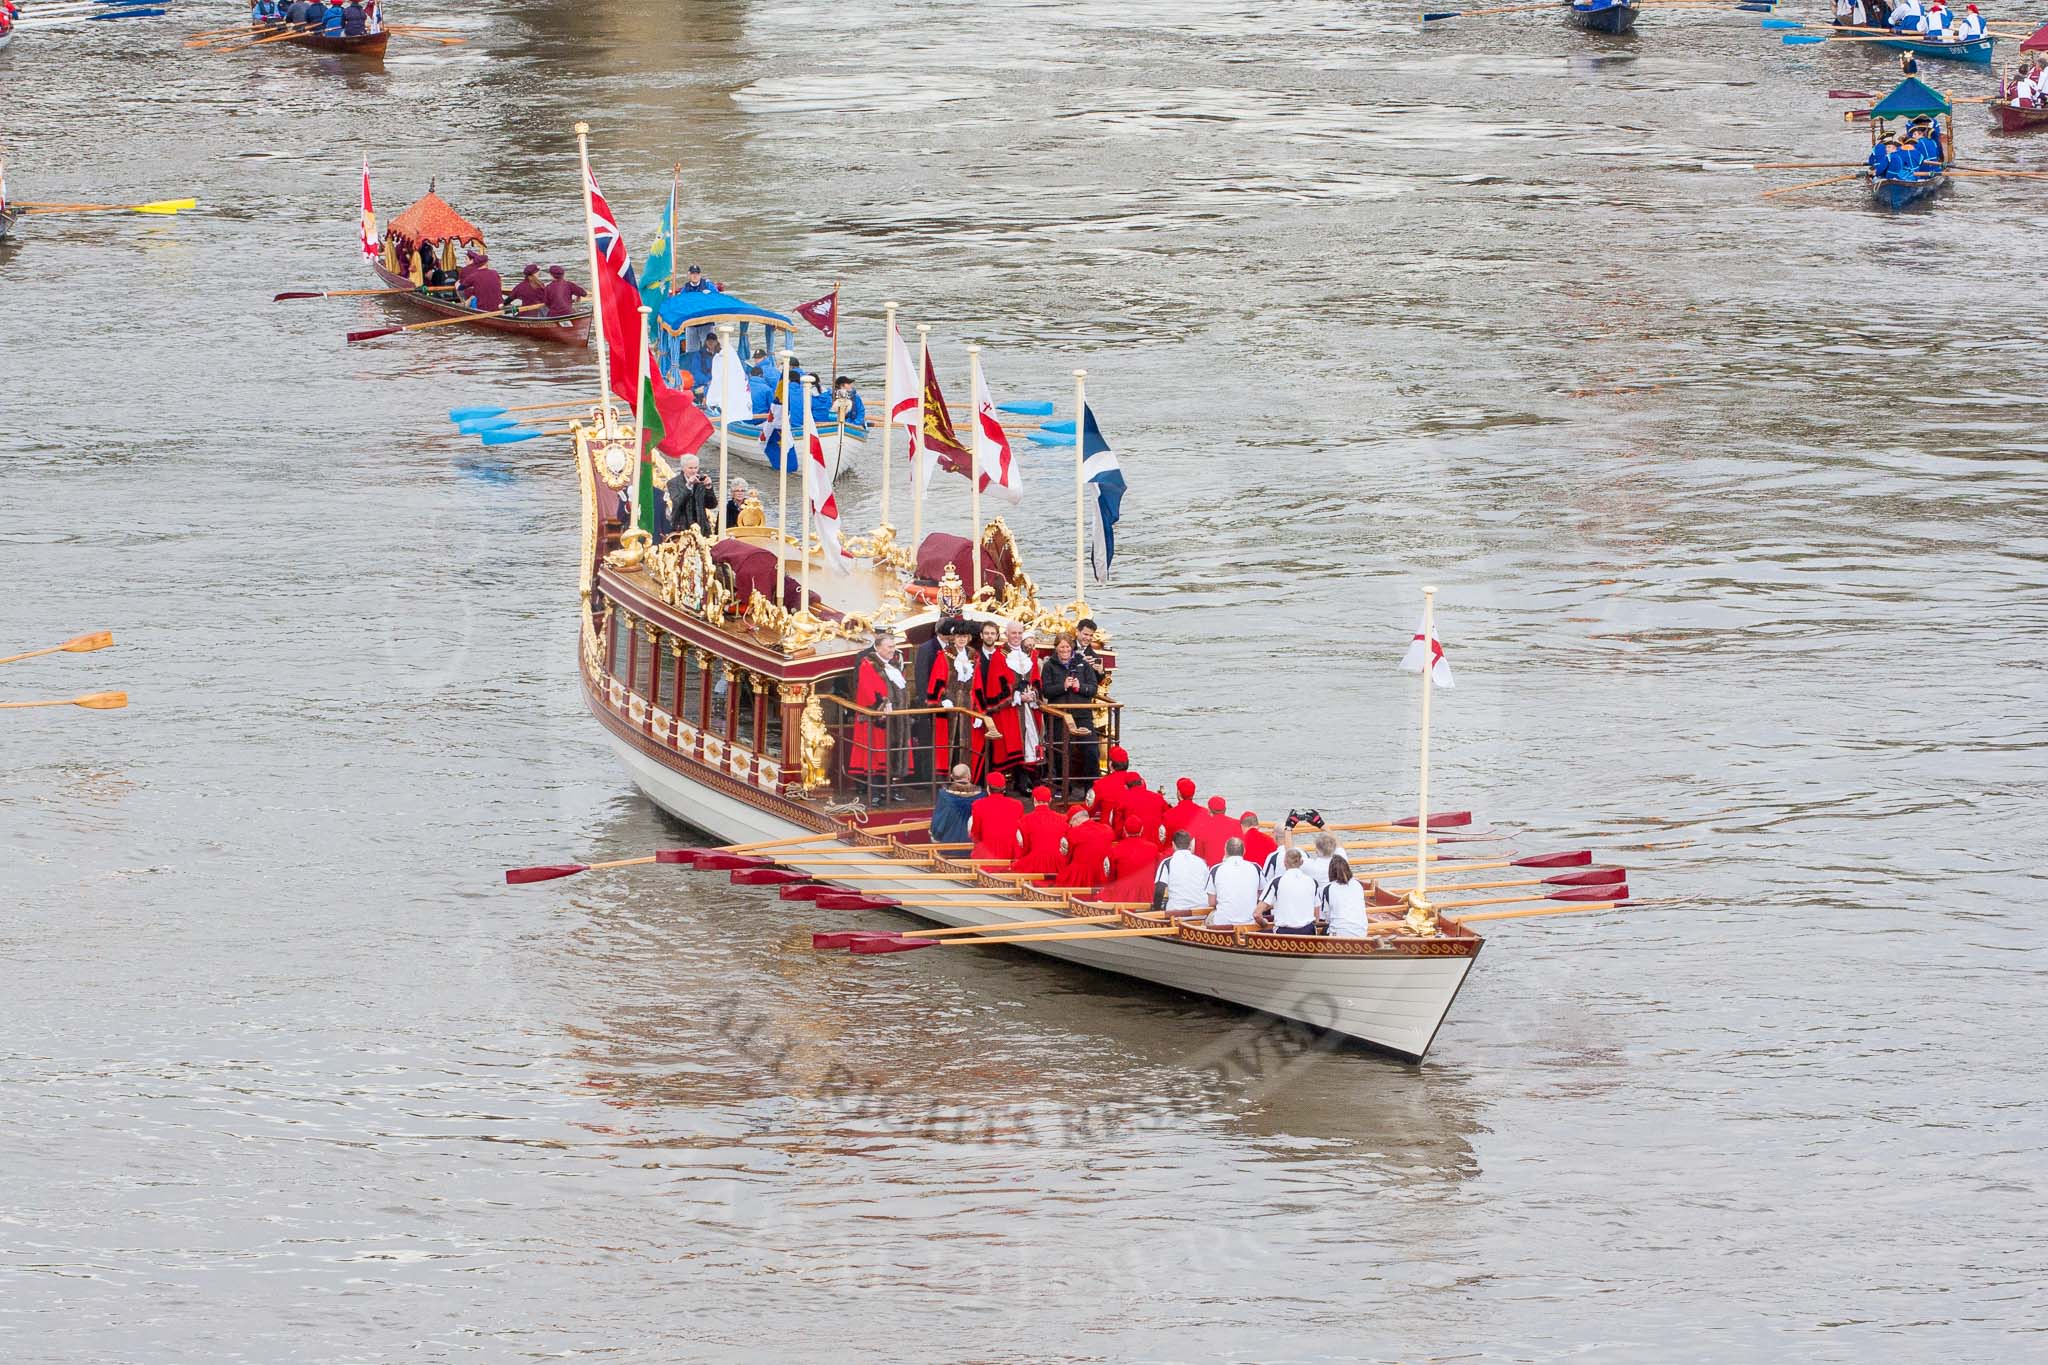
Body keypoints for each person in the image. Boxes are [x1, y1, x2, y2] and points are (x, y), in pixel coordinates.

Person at [849, 628, 908, 801]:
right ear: (878, 648)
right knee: (876, 756)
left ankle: (890, 789)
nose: (892, 650)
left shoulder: (894, 663)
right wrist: (882, 707)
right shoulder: (868, 664)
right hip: (877, 719)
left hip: (896, 719)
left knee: (892, 753)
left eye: (893, 646)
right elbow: (867, 691)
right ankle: (875, 793)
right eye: (889, 647)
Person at [1037, 633, 1100, 793]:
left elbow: (1093, 688)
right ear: (1056, 648)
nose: (1064, 650)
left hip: (1082, 714)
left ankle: (1091, 786)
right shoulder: (1050, 666)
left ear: (1071, 647)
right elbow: (1046, 691)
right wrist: (1063, 686)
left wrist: (1080, 687)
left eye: (1067, 647)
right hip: (1059, 716)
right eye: (1061, 647)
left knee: (1091, 749)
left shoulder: (1083, 665)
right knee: (1060, 752)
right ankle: (1062, 787)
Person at [1257, 849, 1320, 936]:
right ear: (1301, 862)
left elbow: (1257, 914)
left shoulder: (1276, 882)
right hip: (1308, 933)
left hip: (1283, 934)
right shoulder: (1313, 882)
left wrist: (1264, 924)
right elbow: (1316, 918)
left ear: (1285, 862)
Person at [1103, 816, 1163, 905]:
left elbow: (1111, 875)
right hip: (1147, 894)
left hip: (1123, 894)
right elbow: (1157, 871)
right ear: (1142, 829)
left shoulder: (1116, 849)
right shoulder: (1153, 848)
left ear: (1124, 830)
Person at [1205, 838, 1262, 928]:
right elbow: (1262, 896)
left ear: (1225, 851)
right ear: (1244, 851)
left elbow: (1211, 902)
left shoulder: (1216, 869)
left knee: (1207, 918)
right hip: (1250, 922)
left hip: (1223, 923)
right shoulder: (1255, 867)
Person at [1011, 787, 1069, 876]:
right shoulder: (1063, 818)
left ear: (1034, 800)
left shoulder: (1025, 820)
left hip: (1034, 862)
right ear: (1050, 800)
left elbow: (1024, 848)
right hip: (1058, 863)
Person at [968, 771, 1024, 862]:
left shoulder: (978, 805)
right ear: (1004, 789)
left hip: (987, 854)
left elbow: (976, 834)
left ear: (988, 788)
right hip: (1010, 854)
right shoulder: (1017, 805)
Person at [1053, 806, 1114, 889]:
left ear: (1075, 820)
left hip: (1081, 878)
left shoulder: (1073, 832)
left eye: (1071, 824)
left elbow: (1066, 858)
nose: (1071, 826)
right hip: (1102, 876)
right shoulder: (1107, 830)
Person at [1152, 830, 1211, 914]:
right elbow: (1208, 888)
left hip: (1177, 913)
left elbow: (1159, 890)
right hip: (1201, 912)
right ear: (1190, 845)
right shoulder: (1201, 862)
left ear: (1173, 845)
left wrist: (1156, 911)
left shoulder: (1167, 863)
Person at [1321, 856, 1374, 938]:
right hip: (1361, 932)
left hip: (1339, 933)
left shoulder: (1328, 888)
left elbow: (1327, 917)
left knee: (1323, 931)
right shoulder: (1358, 884)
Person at [664, 454, 715, 538]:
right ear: (683, 468)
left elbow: (712, 505)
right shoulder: (673, 483)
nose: (694, 471)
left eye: (696, 468)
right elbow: (677, 503)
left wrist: (708, 488)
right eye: (690, 468)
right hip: (682, 528)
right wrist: (688, 486)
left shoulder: (701, 482)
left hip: (701, 529)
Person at [1087, 745, 1137, 828]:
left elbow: (1089, 810)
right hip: (1132, 828)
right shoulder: (1138, 781)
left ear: (1110, 764)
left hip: (1108, 830)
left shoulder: (1101, 784)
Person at [929, 764, 979, 848]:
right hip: (974, 847)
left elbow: (937, 825)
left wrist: (935, 837)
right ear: (969, 776)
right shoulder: (981, 796)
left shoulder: (944, 796)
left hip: (949, 847)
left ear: (952, 776)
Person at [1120, 774, 1168, 849]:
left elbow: (1118, 823)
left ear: (1126, 786)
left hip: (1132, 844)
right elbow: (1167, 815)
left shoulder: (1123, 799)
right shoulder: (1158, 797)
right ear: (1142, 783)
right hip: (1155, 844)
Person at [1192, 795, 1236, 865]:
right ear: (1225, 809)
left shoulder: (1201, 828)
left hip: (1212, 870)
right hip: (1233, 867)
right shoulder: (1236, 824)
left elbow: (1199, 856)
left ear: (1209, 810)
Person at [1160, 778, 1203, 842]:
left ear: (1179, 793)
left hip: (1174, 849)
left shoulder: (1168, 814)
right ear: (1193, 793)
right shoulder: (1204, 812)